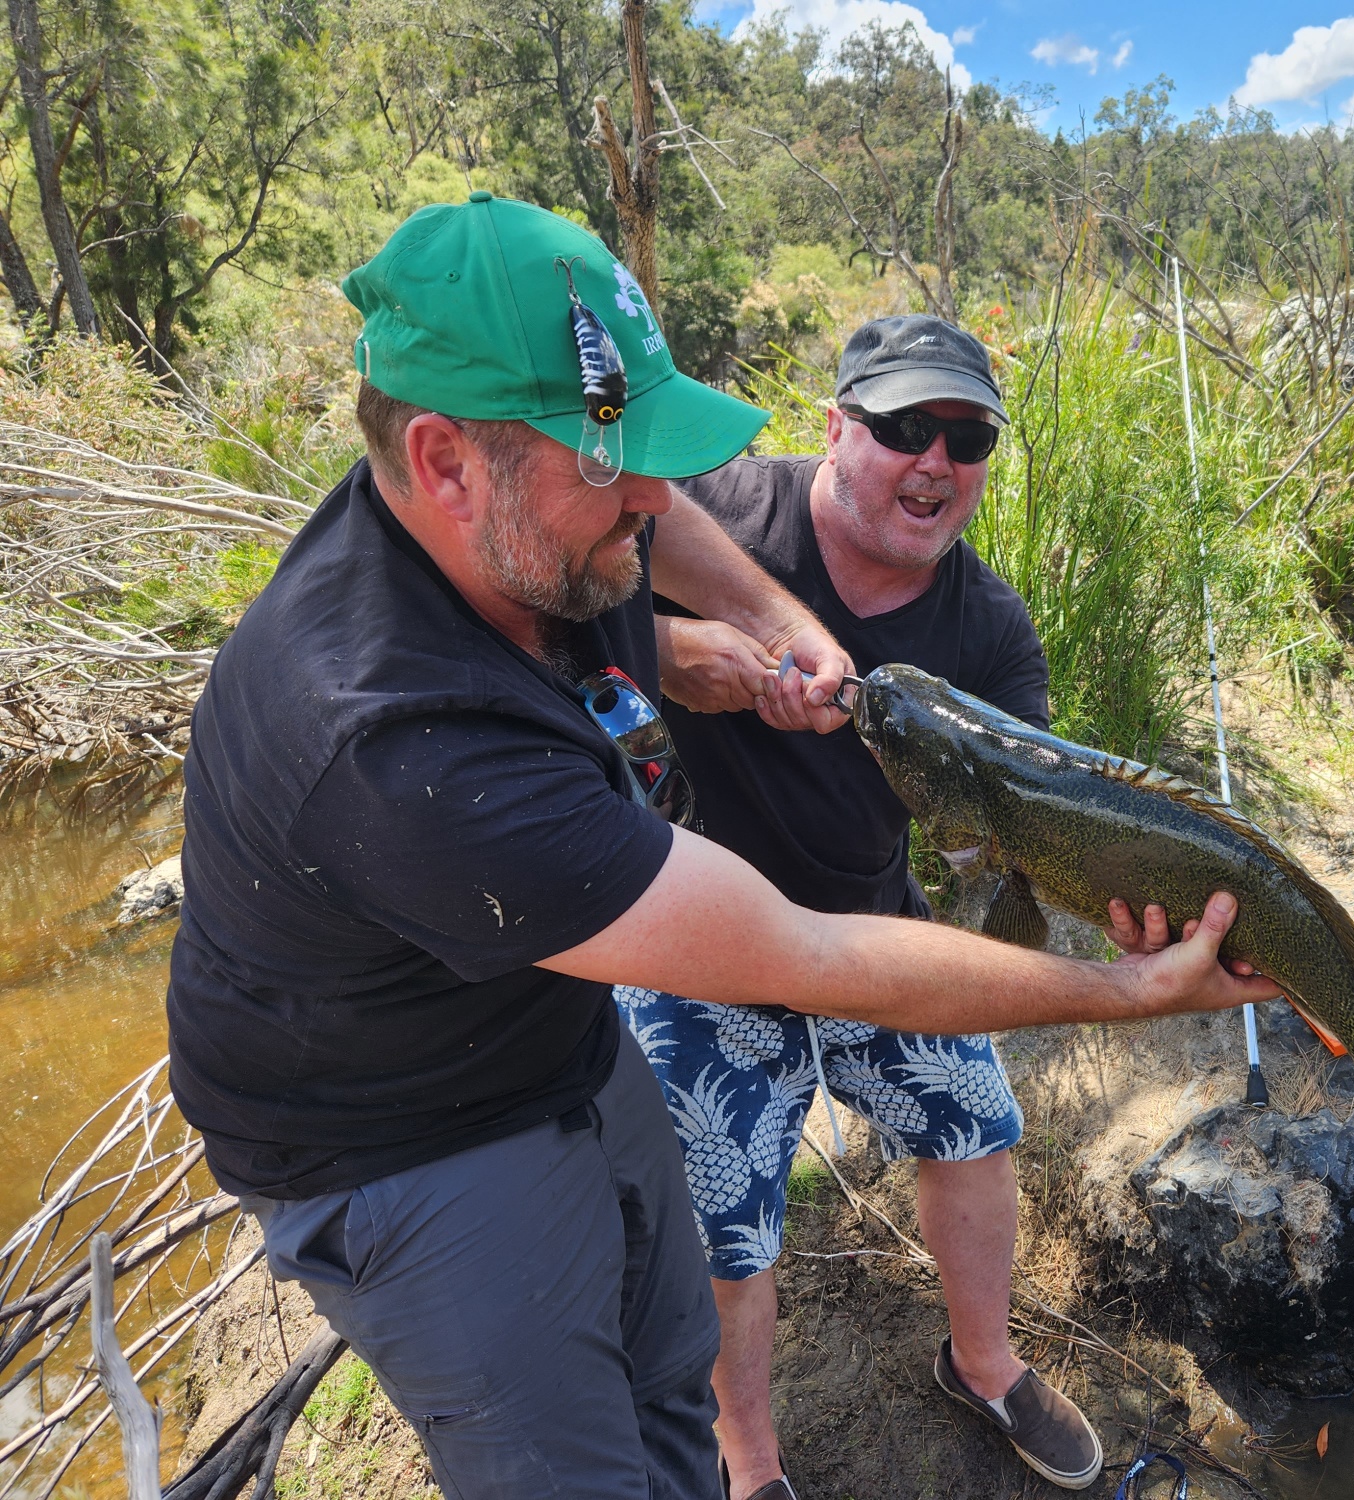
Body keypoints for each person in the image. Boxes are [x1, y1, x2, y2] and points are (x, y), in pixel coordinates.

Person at [164, 192, 1276, 1500]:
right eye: (605, 459)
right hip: (407, 1136)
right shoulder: (399, 744)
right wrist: (1128, 992)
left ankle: (916, 1387)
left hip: (555, 1018)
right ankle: (758, 1471)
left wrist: (753, 626)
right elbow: (797, 955)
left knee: (671, 1334)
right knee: (592, 1421)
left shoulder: (540, 531)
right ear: (445, 461)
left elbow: (658, 530)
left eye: (650, 446)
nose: (650, 492)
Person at [623, 315, 1113, 1497]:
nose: (934, 462)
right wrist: (674, 649)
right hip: (698, 929)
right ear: (836, 427)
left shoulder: (986, 629)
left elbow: (1012, 822)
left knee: (977, 1121)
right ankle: (750, 1464)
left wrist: (1093, 903)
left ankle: (983, 1364)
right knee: (723, 1218)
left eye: (967, 436)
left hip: (866, 924)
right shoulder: (714, 509)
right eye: (903, 428)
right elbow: (533, 603)